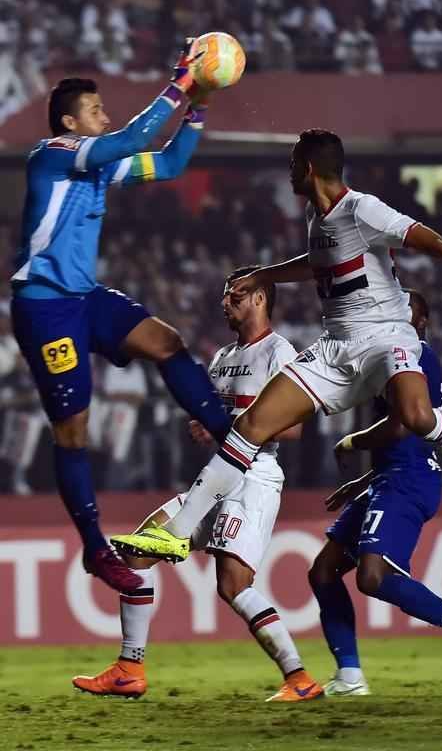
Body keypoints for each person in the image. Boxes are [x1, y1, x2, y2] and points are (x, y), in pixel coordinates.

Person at [112, 128, 442, 562]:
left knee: (417, 416)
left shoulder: (364, 209)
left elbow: (431, 241)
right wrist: (266, 275)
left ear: (308, 168)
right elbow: (318, 262)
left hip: (386, 336)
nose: (289, 174)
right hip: (335, 346)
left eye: (292, 166)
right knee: (251, 426)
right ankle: (175, 534)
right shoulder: (315, 217)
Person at [9, 41, 233, 593]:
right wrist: (182, 82)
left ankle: (234, 440)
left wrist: (198, 105)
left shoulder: (100, 167)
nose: (104, 117)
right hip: (45, 308)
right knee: (73, 432)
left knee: (167, 342)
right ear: (69, 121)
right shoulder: (53, 155)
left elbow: (173, 161)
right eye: (95, 111)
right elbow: (132, 137)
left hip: (85, 298)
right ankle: (94, 547)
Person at [76, 267, 323, 703]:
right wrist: (205, 427)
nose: (224, 303)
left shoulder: (279, 353)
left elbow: (294, 429)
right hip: (216, 475)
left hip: (254, 478)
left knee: (232, 586)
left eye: (235, 296)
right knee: (137, 550)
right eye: (225, 295)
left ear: (261, 299)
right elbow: (218, 418)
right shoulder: (223, 356)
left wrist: (228, 425)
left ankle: (299, 678)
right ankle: (129, 668)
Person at [308, 291, 442, 696]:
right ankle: (349, 677)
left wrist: (350, 443)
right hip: (389, 476)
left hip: (409, 480)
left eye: (406, 309)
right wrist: (363, 481)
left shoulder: (415, 355)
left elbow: (401, 427)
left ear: (423, 320)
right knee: (324, 570)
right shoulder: (392, 356)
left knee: (372, 575)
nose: (395, 315)